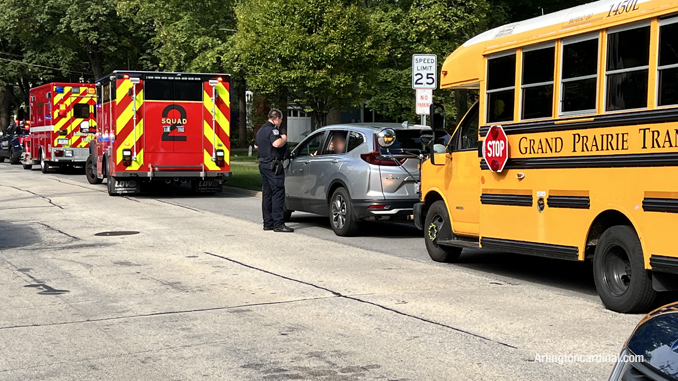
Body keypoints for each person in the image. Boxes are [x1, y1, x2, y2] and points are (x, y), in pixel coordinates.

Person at [256, 109, 294, 233]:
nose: (281, 122)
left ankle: (268, 223)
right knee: (278, 192)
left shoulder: (261, 130)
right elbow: (277, 144)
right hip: (273, 165)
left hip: (263, 164)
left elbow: (256, 145)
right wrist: (284, 138)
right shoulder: (273, 130)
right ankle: (278, 224)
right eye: (281, 119)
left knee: (267, 194)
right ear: (276, 118)